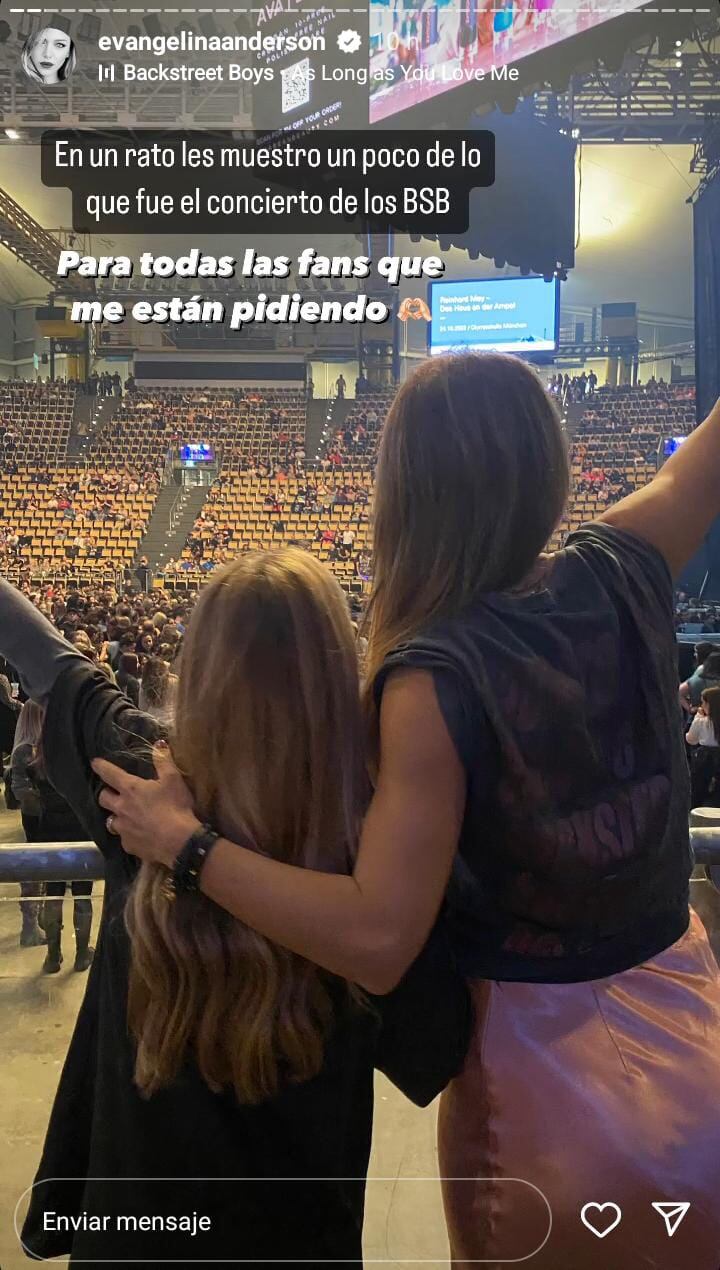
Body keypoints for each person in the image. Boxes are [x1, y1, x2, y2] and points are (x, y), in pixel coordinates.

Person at [98, 353, 720, 1270]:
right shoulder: (625, 562)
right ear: (547, 461)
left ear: (404, 493)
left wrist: (186, 846)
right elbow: (693, 466)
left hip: (546, 1082)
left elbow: (379, 938)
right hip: (695, 1023)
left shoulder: (432, 675)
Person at [0, 553, 379, 1265]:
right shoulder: (375, 843)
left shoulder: (141, 783)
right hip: (300, 1242)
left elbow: (41, 653)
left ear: (197, 666)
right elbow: (438, 1040)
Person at [686, 686, 720, 807]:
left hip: (704, 759)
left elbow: (691, 740)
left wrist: (697, 717)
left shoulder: (700, 721)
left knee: (698, 790)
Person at [679, 644, 720, 713]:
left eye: (696, 652)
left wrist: (690, 709)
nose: (694, 655)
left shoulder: (700, 671)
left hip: (699, 716)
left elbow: (679, 692)